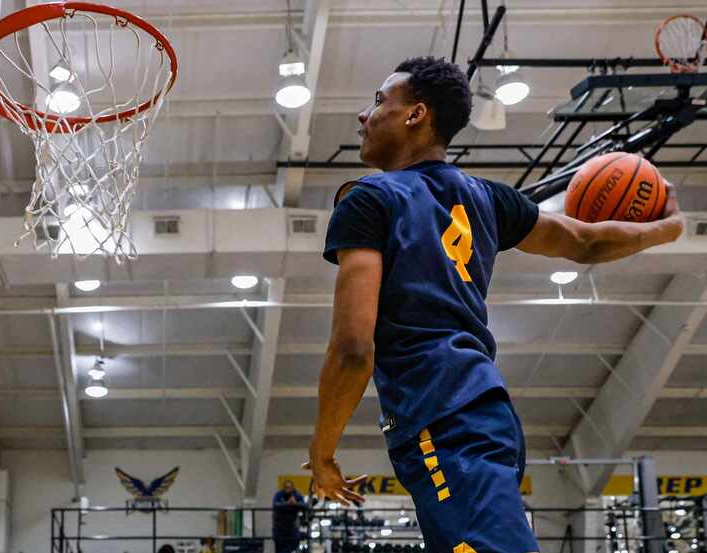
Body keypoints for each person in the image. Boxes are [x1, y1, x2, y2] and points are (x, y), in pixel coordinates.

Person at [303, 56, 683, 553]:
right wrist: (667, 228)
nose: (363, 116)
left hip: (439, 411)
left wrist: (322, 448)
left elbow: (354, 348)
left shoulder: (369, 199)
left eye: (378, 102)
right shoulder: (486, 198)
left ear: (416, 115)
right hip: (480, 411)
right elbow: (584, 242)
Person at [272, 480, 305, 553]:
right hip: (279, 528)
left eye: (290, 487)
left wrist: (295, 503)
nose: (288, 489)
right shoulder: (279, 495)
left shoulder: (296, 495)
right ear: (283, 488)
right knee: (280, 549)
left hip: (292, 528)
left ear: (293, 488)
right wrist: (288, 503)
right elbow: (275, 505)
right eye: (286, 487)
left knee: (293, 547)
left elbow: (304, 505)